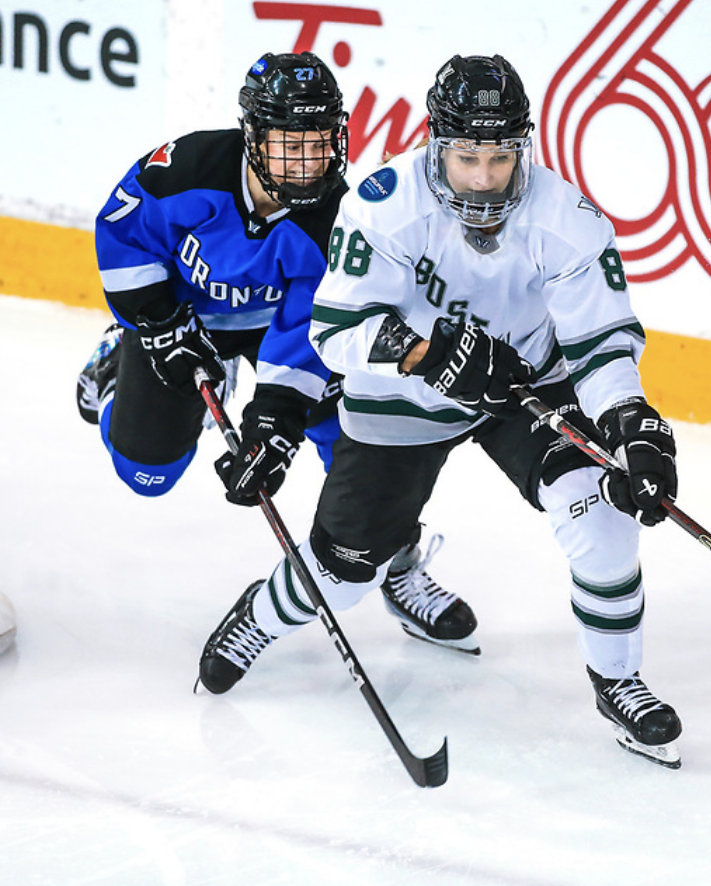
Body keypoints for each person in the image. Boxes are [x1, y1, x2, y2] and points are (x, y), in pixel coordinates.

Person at [197, 54, 683, 768]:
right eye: (466, 157)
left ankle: (618, 679)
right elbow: (335, 331)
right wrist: (432, 355)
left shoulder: (567, 219)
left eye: (499, 157)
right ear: (437, 145)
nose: (484, 178)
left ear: (523, 146)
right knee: (342, 573)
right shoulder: (385, 203)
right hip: (403, 396)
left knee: (602, 519)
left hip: (523, 387)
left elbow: (600, 340)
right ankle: (260, 617)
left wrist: (631, 424)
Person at [76, 51, 478, 659]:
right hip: (186, 321)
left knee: (360, 434)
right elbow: (123, 231)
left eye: (320, 142)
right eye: (291, 144)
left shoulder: (338, 217)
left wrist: (274, 423)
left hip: (277, 336)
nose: (308, 160)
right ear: (253, 137)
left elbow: (315, 326)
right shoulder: (187, 168)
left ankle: (396, 558)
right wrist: (158, 327)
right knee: (146, 473)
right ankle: (113, 368)